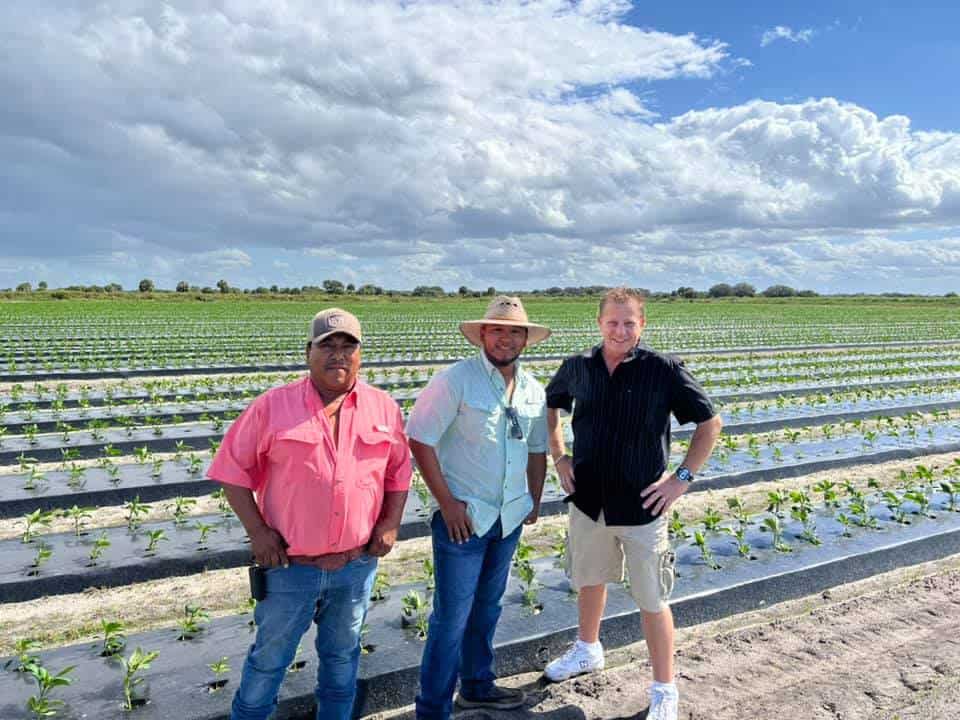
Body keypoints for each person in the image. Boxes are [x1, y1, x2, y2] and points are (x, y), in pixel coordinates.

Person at [207, 308, 412, 720]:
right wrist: (258, 532)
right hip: (289, 567)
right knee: (268, 663)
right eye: (328, 345)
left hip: (355, 566)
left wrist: (390, 523)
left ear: (360, 355)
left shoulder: (383, 407)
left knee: (342, 662)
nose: (338, 354)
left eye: (347, 346)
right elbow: (231, 471)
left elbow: (398, 472)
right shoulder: (271, 407)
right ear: (308, 353)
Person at [543, 287, 722, 720]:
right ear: (599, 322)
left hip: (644, 506)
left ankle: (664, 688)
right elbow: (549, 406)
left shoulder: (663, 370)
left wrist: (680, 479)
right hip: (588, 501)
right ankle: (588, 650)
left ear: (642, 325)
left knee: (652, 598)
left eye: (629, 322)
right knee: (590, 579)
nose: (620, 330)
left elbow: (709, 423)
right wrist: (559, 455)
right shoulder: (578, 367)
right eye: (612, 321)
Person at [406, 296, 551, 720]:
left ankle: (477, 687)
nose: (506, 339)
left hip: (508, 517)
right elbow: (420, 438)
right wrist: (447, 504)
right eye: (498, 330)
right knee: (451, 618)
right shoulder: (456, 380)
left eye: (515, 332)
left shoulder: (532, 389)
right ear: (483, 334)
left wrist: (534, 499)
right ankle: (432, 709)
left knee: (488, 607)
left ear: (526, 339)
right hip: (463, 521)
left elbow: (538, 449)